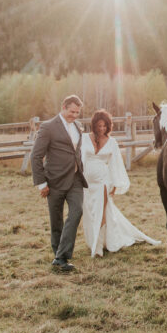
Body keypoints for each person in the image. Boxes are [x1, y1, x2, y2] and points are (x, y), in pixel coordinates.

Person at [81, 109, 159, 256]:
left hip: (103, 182)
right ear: (94, 125)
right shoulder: (85, 138)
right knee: (90, 213)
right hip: (86, 183)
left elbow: (116, 163)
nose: (102, 129)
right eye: (99, 126)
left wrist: (115, 183)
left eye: (105, 126)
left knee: (101, 212)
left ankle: (97, 249)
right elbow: (79, 158)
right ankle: (97, 241)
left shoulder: (111, 142)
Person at [31, 94, 87, 272]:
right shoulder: (47, 127)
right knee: (56, 221)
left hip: (76, 179)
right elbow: (36, 156)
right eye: (72, 111)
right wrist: (41, 183)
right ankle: (60, 257)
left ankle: (61, 255)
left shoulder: (78, 126)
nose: (75, 115)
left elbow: (76, 151)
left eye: (77, 112)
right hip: (54, 181)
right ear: (63, 107)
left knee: (77, 211)